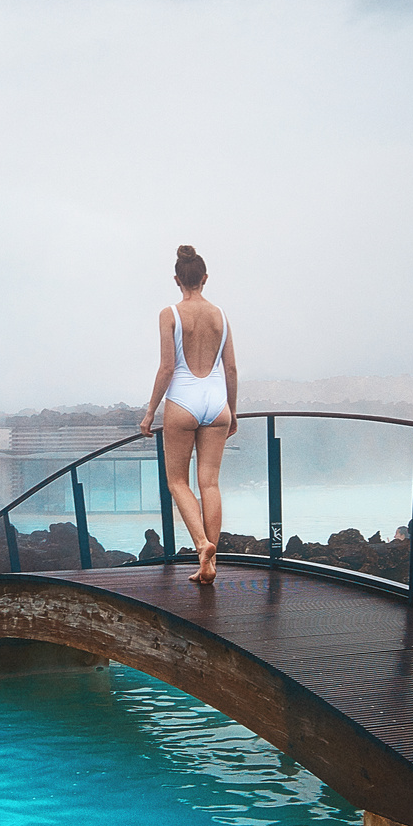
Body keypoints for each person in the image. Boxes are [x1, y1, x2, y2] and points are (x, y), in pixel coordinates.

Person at [139, 244, 237, 584]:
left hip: (182, 401)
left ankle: (201, 544)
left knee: (177, 481)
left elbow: (167, 368)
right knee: (209, 482)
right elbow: (232, 369)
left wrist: (150, 412)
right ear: (205, 278)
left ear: (177, 279)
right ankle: (210, 564)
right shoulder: (221, 316)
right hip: (217, 402)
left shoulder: (170, 314)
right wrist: (233, 412)